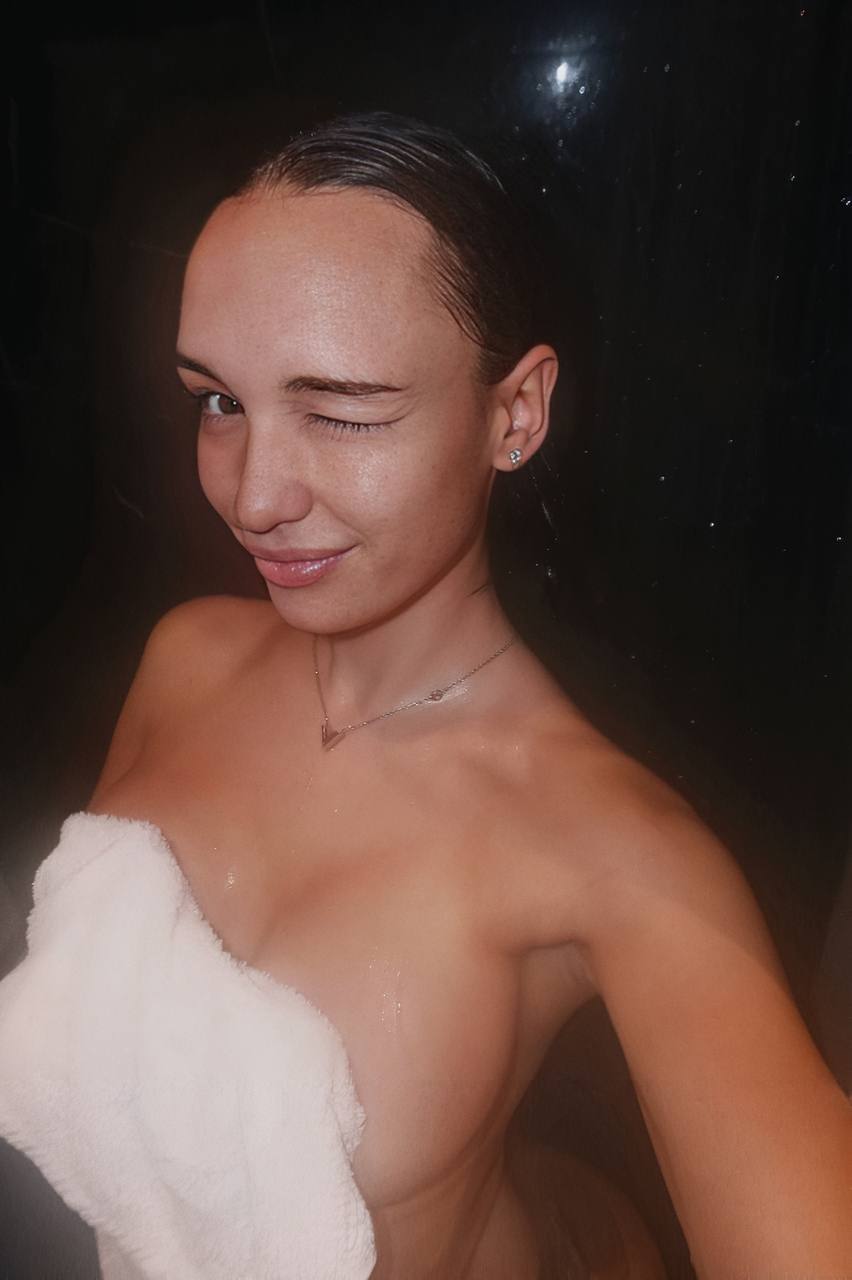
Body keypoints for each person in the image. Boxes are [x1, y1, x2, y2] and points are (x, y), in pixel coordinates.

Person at [1, 110, 850, 1280]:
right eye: (220, 400)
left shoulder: (612, 850)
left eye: (341, 410)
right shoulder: (185, 656)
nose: (252, 497)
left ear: (515, 414)